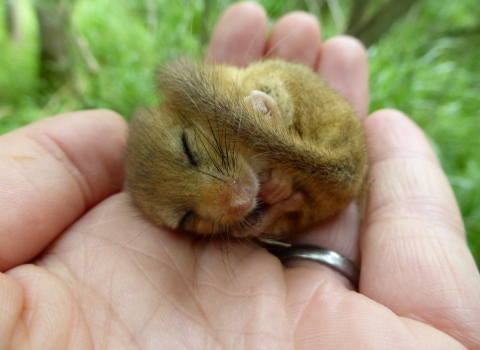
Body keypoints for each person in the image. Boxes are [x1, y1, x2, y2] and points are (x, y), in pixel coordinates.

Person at [1, 3, 479, 348]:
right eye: (188, 218)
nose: (221, 202)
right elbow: (274, 211)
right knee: (271, 213)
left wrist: (265, 116)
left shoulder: (230, 89)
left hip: (311, 130)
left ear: (183, 116)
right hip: (322, 192)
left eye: (189, 151)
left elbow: (239, 88)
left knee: (263, 83)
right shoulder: (237, 213)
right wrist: (282, 205)